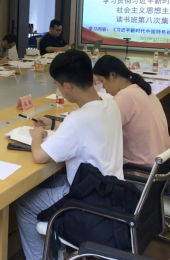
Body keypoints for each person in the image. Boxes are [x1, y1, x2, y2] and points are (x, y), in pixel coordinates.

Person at [15, 50, 124, 260]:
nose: (59, 90)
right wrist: (55, 123)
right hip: (113, 189)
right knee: (49, 182)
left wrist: (37, 135)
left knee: (24, 203)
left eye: (57, 85)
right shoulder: (109, 102)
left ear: (68, 86)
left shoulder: (77, 120)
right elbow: (88, 126)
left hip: (89, 200)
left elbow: (39, 156)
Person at [93, 55, 170, 167]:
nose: (103, 87)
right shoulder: (142, 89)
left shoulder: (125, 96)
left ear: (113, 75)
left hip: (142, 169)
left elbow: (101, 135)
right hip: (164, 164)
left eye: (102, 81)